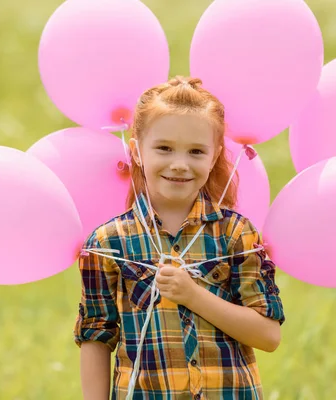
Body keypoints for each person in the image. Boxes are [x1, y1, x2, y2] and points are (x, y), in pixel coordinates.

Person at [74, 76, 285, 400]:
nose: (179, 164)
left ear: (214, 156)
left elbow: (268, 335)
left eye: (196, 152)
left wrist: (193, 295)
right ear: (138, 152)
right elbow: (95, 336)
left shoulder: (235, 234)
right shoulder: (108, 243)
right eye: (164, 148)